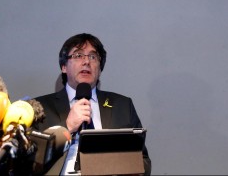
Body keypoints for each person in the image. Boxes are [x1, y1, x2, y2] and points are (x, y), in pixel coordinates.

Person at [34, 33, 151, 175]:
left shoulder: (123, 105)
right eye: (78, 55)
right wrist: (67, 127)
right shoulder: (38, 108)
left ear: (100, 68)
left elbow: (143, 162)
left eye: (93, 57)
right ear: (64, 66)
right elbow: (30, 162)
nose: (86, 62)